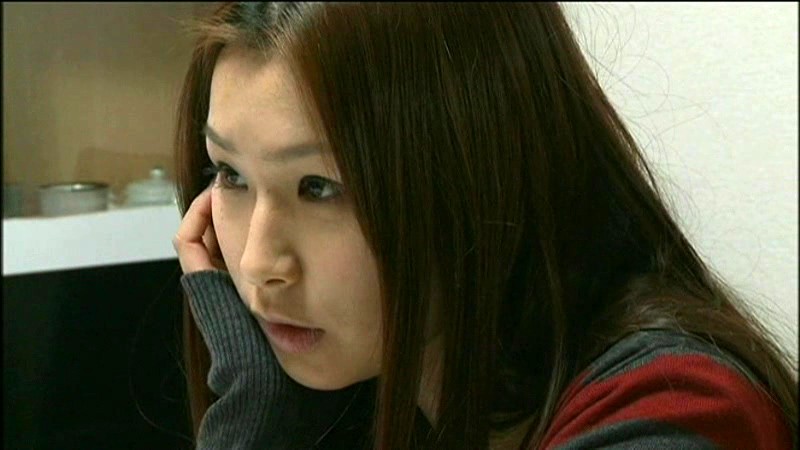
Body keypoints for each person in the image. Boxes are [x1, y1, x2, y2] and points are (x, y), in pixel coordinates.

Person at [171, 3, 797, 449]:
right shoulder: (383, 395)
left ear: (478, 172)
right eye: (230, 175)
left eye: (320, 187)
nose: (257, 263)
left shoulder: (674, 411)